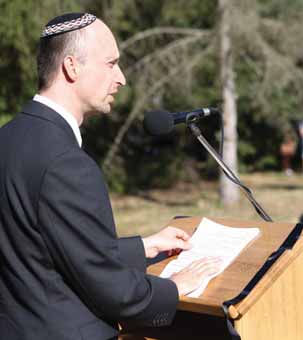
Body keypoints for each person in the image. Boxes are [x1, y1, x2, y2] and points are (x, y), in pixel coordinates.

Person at [0, 13, 221, 339]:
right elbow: (112, 291)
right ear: (72, 67)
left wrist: (142, 247)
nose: (121, 78)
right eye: (110, 63)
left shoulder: (9, 137)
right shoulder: (66, 163)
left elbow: (45, 249)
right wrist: (173, 289)